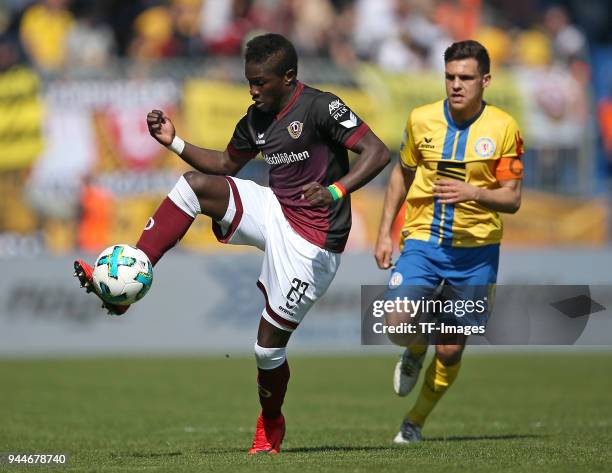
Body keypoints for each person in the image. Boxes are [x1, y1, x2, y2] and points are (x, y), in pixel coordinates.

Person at [74, 33, 390, 454]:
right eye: (249, 82)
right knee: (192, 187)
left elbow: (377, 152)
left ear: (289, 77)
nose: (253, 90)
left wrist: (334, 191)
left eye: (261, 82)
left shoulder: (321, 106)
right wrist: (174, 141)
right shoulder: (256, 118)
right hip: (277, 209)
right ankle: (133, 276)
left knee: (266, 350)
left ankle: (271, 421)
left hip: (313, 243)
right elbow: (226, 164)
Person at [374, 40, 523, 443]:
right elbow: (401, 174)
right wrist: (385, 231)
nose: (456, 85)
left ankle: (415, 422)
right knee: (397, 323)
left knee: (451, 350)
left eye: (466, 78)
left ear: (485, 81)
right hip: (423, 242)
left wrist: (475, 193)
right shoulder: (420, 119)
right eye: (450, 77)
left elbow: (512, 197)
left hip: (477, 254)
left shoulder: (505, 128)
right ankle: (415, 348)